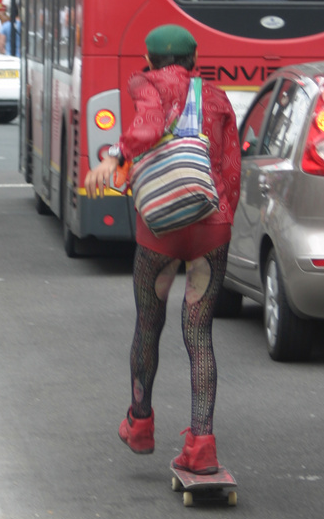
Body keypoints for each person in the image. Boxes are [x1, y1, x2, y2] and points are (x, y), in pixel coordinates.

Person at [85, 25, 241, 474]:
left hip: (161, 231)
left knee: (148, 327)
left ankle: (140, 423)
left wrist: (116, 155)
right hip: (210, 226)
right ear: (195, 61)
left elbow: (149, 124)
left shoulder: (145, 81)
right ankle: (202, 445)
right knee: (199, 336)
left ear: (150, 59)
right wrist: (221, 220)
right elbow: (230, 171)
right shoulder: (217, 98)